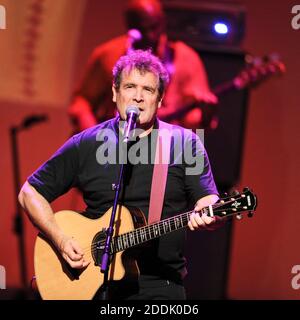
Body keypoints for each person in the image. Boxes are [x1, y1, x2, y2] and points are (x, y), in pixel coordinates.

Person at [19, 49, 220, 300]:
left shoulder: (184, 143)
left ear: (159, 100)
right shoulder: (88, 143)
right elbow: (30, 192)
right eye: (130, 87)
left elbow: (208, 200)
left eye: (148, 90)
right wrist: (60, 240)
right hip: (89, 284)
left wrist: (210, 212)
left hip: (158, 287)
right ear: (114, 93)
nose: (137, 97)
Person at [68, 0, 217, 133]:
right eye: (141, 29)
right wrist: (94, 138)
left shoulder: (185, 59)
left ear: (163, 21)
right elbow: (81, 102)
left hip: (161, 153)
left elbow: (193, 120)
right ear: (128, 25)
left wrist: (205, 115)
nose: (150, 35)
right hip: (110, 152)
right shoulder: (108, 54)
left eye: (153, 27)